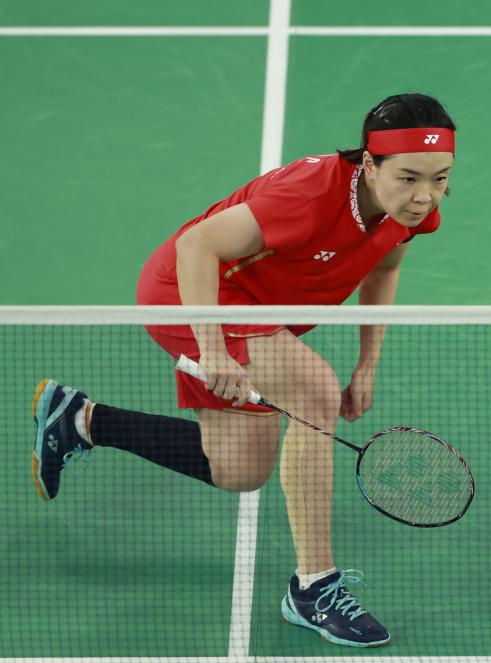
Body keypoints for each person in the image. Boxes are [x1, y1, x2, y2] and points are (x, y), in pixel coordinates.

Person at [31, 93, 457, 648]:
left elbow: (384, 266)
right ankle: (314, 588)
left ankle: (81, 419)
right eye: (409, 178)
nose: (425, 195)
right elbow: (196, 245)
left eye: (440, 178)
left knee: (238, 469)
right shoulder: (309, 197)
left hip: (261, 313)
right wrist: (212, 346)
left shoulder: (409, 212)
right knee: (314, 392)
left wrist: (368, 364)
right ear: (369, 164)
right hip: (194, 295)